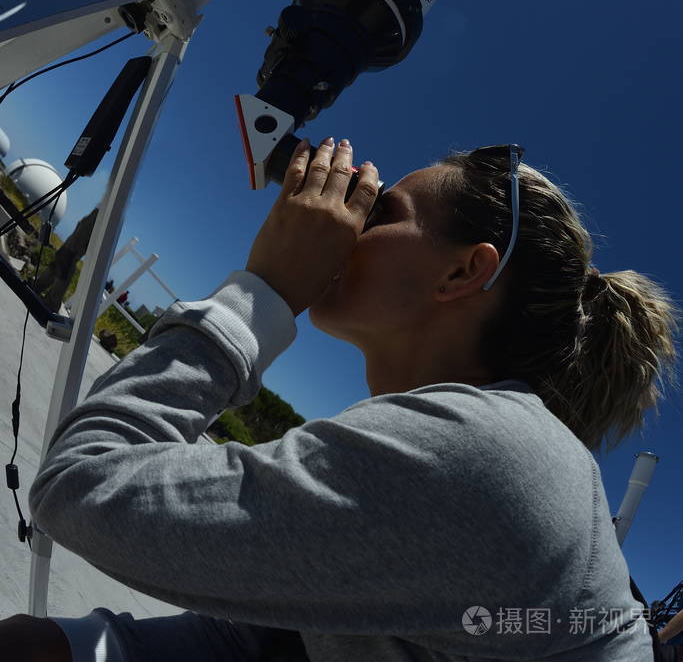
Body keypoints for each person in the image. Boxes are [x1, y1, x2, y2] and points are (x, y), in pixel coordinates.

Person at [2, 138, 679, 661]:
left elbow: (80, 487)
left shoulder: (489, 456)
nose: (343, 217)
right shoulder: (462, 439)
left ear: (462, 271)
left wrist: (259, 293)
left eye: (378, 210)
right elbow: (292, 631)